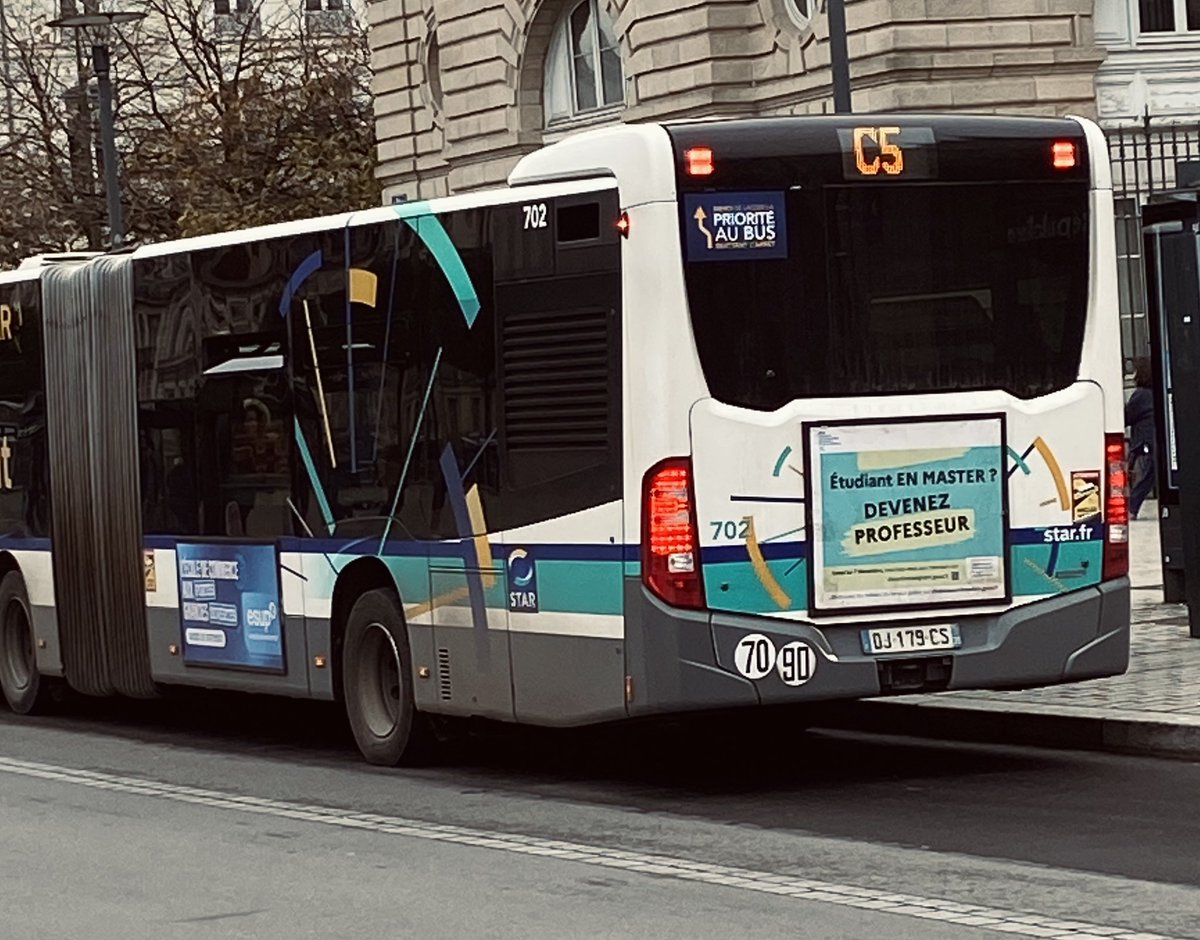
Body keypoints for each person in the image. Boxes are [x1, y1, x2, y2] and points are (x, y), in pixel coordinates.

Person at [1126, 357, 1156, 520]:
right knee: (1149, 476)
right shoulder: (1152, 394)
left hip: (1144, 441)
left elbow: (1127, 417)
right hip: (1152, 440)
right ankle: (1132, 507)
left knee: (1146, 476)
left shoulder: (1141, 395)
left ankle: (1131, 508)